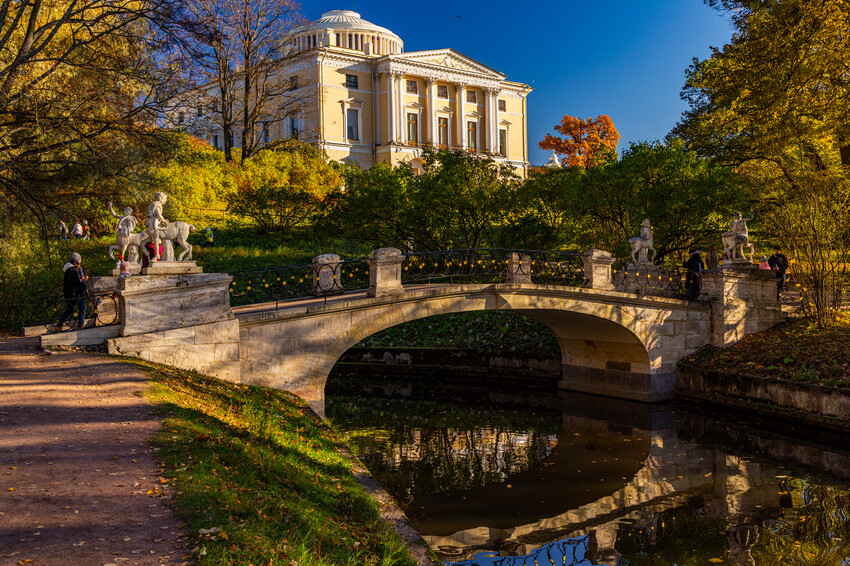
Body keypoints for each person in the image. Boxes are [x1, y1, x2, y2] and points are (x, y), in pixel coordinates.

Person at [55, 253, 89, 330]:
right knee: (71, 309)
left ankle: (80, 324)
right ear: (77, 260)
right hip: (73, 293)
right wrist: (81, 280)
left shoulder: (77, 269)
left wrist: (83, 279)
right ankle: (59, 325)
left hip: (77, 293)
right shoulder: (70, 270)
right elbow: (70, 282)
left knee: (81, 308)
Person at [145, 192, 169, 261]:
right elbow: (158, 214)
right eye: (164, 199)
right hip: (153, 223)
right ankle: (157, 255)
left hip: (148, 224)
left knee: (153, 237)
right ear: (160, 198)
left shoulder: (151, 204)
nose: (164, 200)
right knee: (156, 236)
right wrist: (163, 221)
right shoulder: (157, 205)